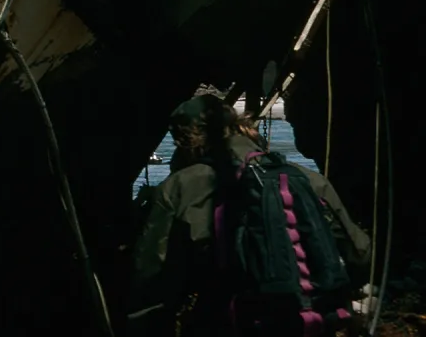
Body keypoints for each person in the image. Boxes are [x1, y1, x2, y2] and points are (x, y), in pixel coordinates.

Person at [127, 93, 371, 336]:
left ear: (186, 142)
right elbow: (360, 255)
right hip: (314, 323)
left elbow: (152, 278)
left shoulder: (179, 188)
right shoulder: (307, 179)